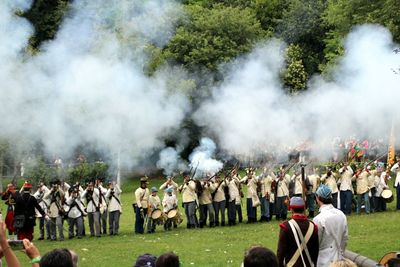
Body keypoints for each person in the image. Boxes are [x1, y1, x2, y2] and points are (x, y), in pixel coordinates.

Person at [277, 197, 319, 267]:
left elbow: (281, 252)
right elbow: (315, 251)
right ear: (304, 208)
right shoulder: (313, 226)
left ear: (291, 209)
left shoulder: (286, 227)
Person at [313, 185, 348, 267]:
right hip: (339, 259)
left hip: (323, 261)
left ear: (318, 198)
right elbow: (345, 238)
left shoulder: (318, 219)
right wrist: (341, 252)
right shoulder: (341, 214)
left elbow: (316, 243)